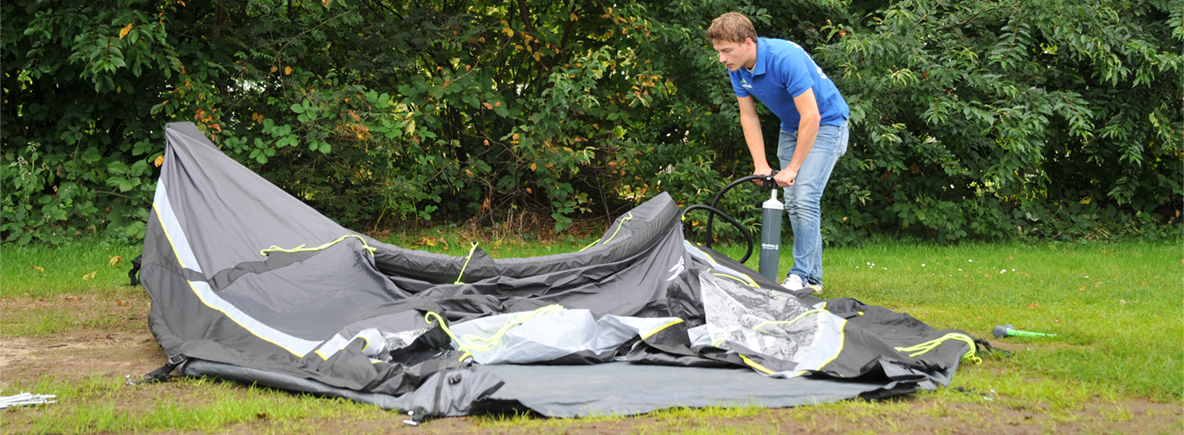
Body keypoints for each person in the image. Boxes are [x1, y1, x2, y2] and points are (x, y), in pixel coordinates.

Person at [706, 12, 849, 293]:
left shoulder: (784, 58)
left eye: (726, 51)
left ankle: (800, 276)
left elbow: (812, 117)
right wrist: (760, 163)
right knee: (794, 201)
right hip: (792, 127)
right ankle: (813, 279)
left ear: (748, 43)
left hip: (828, 122)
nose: (722, 59)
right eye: (718, 52)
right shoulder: (737, 70)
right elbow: (748, 117)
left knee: (804, 196)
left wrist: (793, 168)